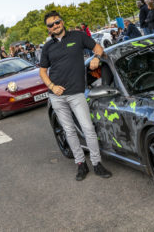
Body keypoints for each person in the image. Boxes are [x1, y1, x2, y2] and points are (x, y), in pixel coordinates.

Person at [39, 11, 112, 181]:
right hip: (56, 96)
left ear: (62, 22)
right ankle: (81, 164)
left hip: (76, 94)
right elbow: (42, 72)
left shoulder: (78, 36)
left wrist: (96, 57)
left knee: (88, 128)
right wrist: (52, 86)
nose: (55, 26)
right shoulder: (47, 47)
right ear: (48, 28)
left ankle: (96, 163)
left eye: (57, 22)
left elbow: (98, 48)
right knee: (69, 131)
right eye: (51, 24)